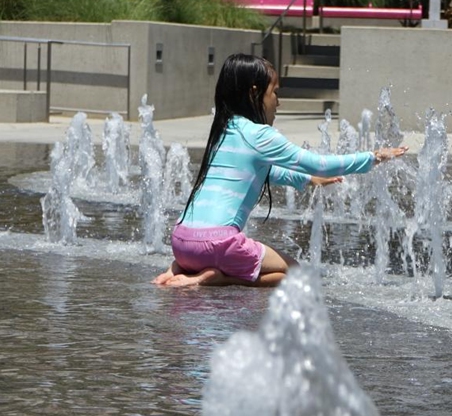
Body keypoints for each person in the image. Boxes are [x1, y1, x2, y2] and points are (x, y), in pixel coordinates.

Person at [153, 53, 407, 288]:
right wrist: (373, 156)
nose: (279, 102)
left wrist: (307, 180)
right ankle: (219, 278)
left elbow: (263, 172)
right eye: (274, 93)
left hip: (182, 241)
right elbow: (320, 163)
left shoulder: (223, 129)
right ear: (255, 93)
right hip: (218, 244)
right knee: (294, 274)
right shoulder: (260, 135)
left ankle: (182, 269)